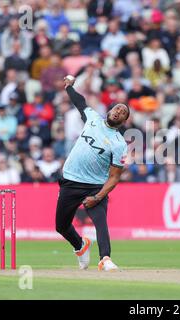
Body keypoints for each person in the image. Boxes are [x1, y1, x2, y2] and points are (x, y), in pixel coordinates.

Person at [56, 76, 129, 272]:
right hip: (70, 181)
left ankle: (105, 259)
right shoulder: (93, 118)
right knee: (61, 226)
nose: (119, 112)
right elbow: (80, 102)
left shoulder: (119, 143)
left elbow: (114, 177)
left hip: (94, 186)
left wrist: (97, 197)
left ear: (124, 121)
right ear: (110, 111)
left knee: (100, 222)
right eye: (117, 109)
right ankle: (80, 246)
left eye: (123, 113)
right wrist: (69, 87)